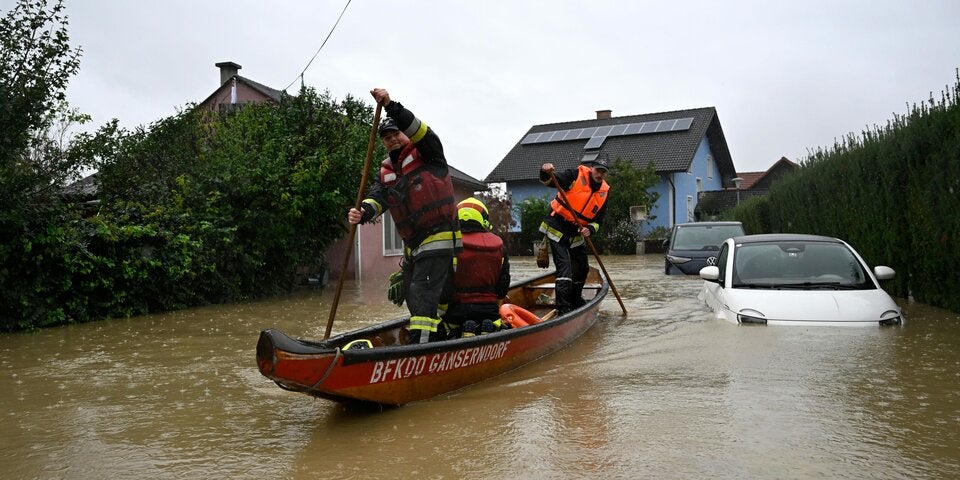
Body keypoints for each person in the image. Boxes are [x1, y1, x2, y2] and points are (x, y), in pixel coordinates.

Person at [347, 88, 461, 344]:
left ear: (406, 135)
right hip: (413, 246)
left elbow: (420, 130)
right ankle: (439, 335)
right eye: (386, 138)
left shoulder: (429, 153)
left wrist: (390, 106)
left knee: (421, 294)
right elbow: (378, 198)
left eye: (396, 134)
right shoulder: (385, 171)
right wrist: (362, 212)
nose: (392, 140)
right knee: (414, 294)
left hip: (439, 237)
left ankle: (420, 349)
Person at [538, 155, 610, 314]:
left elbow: (599, 221)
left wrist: (590, 229)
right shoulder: (575, 175)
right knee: (565, 269)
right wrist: (545, 171)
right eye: (598, 170)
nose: (600, 174)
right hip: (557, 226)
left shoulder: (604, 193)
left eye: (603, 172)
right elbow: (551, 180)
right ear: (592, 168)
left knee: (583, 268)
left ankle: (575, 300)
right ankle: (563, 309)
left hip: (576, 232)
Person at [442, 197, 511, 338]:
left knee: (447, 323)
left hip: (458, 311)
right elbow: (503, 288)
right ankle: (487, 327)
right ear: (483, 219)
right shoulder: (499, 247)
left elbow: (444, 288)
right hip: (490, 310)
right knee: (493, 322)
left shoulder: (449, 245)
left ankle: (462, 331)